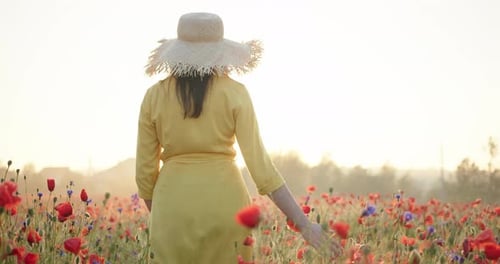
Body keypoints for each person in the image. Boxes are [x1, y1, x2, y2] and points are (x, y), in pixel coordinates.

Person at [135, 12, 342, 263]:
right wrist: (305, 225)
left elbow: (145, 177)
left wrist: (167, 215)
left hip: (171, 208)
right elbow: (262, 170)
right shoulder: (236, 93)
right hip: (228, 208)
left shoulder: (153, 97)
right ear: (221, 54)